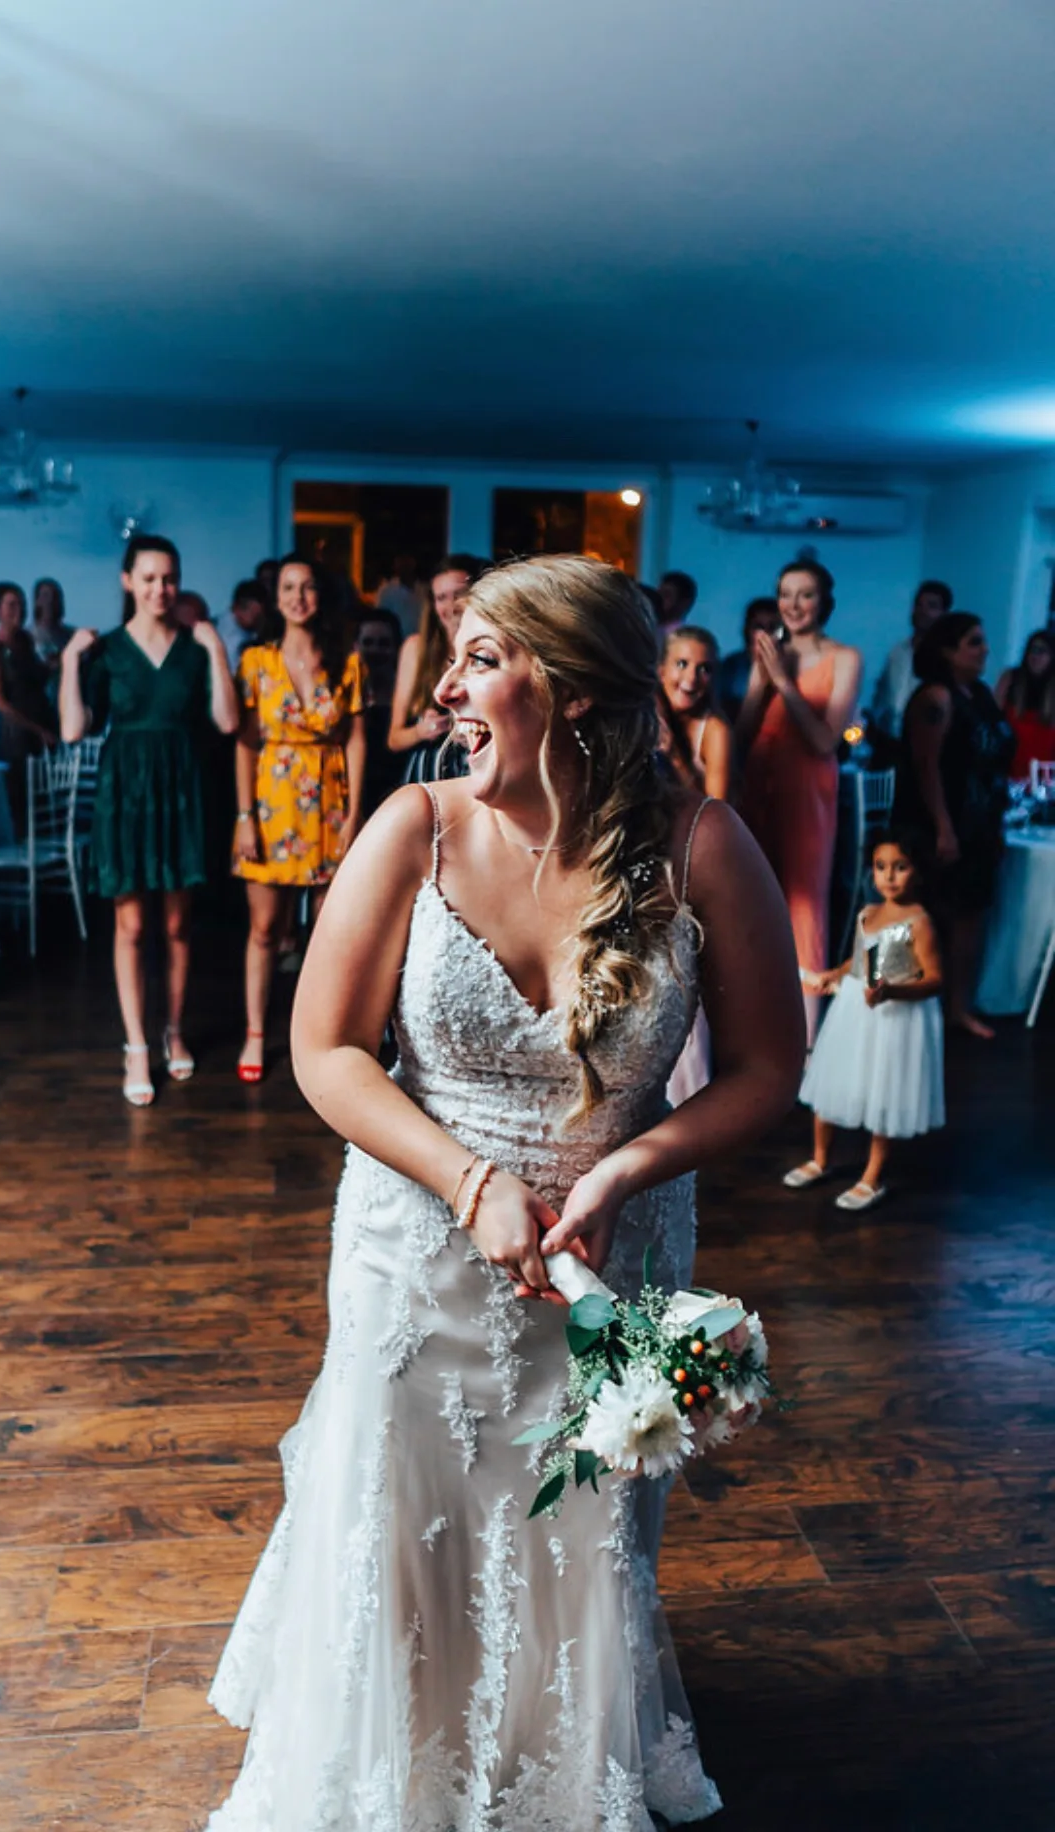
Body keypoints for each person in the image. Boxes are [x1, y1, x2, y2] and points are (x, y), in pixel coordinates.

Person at [201, 555, 804, 1829]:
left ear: (575, 689)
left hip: (610, 1255)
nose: (446, 692)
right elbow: (325, 1050)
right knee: (403, 1508)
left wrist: (631, 1161)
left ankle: (549, 1761)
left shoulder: (705, 844)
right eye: (454, 658)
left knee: (577, 1521)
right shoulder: (414, 828)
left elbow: (766, 1071)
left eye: (481, 660)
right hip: (414, 1246)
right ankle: (394, 1760)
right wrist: (470, 1179)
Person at [60, 534, 238, 1105]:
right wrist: (68, 661)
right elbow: (72, 728)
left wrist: (215, 650)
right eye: (149, 578)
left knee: (178, 926)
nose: (160, 589)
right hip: (124, 794)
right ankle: (137, 1044)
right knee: (132, 926)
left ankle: (174, 1031)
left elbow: (228, 723)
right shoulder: (106, 649)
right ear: (127, 582)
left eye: (169, 578)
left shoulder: (193, 647)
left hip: (181, 792)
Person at [233, 557, 366, 1083]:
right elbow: (244, 743)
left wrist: (354, 814)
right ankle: (255, 1033)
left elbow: (355, 739)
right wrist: (244, 816)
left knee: (330, 932)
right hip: (272, 803)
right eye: (288, 587)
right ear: (276, 598)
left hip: (330, 803)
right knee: (265, 929)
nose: (298, 596)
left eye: (308, 587)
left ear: (319, 596)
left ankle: (321, 1039)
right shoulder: (255, 662)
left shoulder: (347, 661)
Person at [784, 831, 944, 1211]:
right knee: (831, 1082)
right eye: (881, 867)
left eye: (900, 868)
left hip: (895, 1016)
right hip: (854, 1010)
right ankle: (821, 1158)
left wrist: (892, 992)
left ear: (918, 872)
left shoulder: (920, 922)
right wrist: (833, 975)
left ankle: (872, 1176)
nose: (889, 876)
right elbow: (860, 960)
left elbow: (935, 980)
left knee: (884, 1092)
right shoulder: (867, 914)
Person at [738, 560, 863, 1043]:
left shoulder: (845, 657)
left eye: (805, 594)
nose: (793, 605)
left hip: (807, 788)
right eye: (786, 594)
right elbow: (744, 735)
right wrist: (758, 680)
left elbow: (826, 741)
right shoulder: (768, 653)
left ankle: (807, 1041)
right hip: (758, 782)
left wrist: (784, 682)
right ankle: (754, 1028)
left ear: (824, 602)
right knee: (754, 897)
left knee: (804, 902)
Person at [895, 611, 1015, 1038]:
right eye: (974, 642)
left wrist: (995, 825)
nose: (984, 650)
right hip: (937, 824)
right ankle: (898, 1011)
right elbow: (926, 767)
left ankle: (956, 1009)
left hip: (979, 821)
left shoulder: (979, 693)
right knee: (917, 916)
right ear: (948, 650)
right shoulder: (935, 698)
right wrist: (944, 827)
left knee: (971, 917)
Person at [388, 553, 485, 784]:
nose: (451, 606)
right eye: (441, 598)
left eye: (460, 595)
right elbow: (394, 738)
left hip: (477, 771)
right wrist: (422, 731)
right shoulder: (416, 649)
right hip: (428, 773)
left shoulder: (491, 649)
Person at [0, 582, 57, 833]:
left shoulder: (25, 641)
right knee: (19, 801)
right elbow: (0, 702)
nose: (18, 610)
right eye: (11, 605)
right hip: (13, 734)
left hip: (37, 727)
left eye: (21, 604)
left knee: (41, 799)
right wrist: (36, 730)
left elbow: (36, 678)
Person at [870, 579, 953, 744]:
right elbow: (883, 698)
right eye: (918, 605)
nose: (922, 611)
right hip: (888, 740)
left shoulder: (948, 658)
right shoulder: (897, 652)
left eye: (931, 606)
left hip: (924, 743)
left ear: (944, 614)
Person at [657, 625, 733, 801]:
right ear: (661, 671)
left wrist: (674, 757)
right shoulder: (647, 708)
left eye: (704, 669)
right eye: (682, 664)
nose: (691, 678)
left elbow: (717, 813)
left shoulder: (716, 730)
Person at [356, 605, 405, 815]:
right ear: (355, 646)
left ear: (397, 649)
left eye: (384, 644)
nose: (375, 650)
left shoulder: (406, 698)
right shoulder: (345, 697)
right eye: (368, 643)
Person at [995, 628, 1055, 781]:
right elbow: (992, 718)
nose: (1035, 656)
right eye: (1032, 650)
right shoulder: (1011, 679)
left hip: (1043, 776)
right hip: (1007, 769)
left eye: (1043, 651)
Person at [718, 595, 781, 729]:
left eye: (773, 627)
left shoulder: (795, 666)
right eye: (759, 627)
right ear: (747, 630)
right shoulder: (730, 668)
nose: (765, 634)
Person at [217, 578, 268, 671]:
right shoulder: (229, 639)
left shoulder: (244, 629)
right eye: (256, 615)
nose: (261, 619)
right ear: (237, 608)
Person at [375, 550, 423, 636]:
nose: (404, 565)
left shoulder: (423, 590)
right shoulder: (387, 591)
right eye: (401, 561)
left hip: (419, 642)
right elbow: (380, 619)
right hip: (395, 642)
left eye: (407, 560)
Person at [32, 577, 74, 672]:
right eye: (45, 596)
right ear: (37, 601)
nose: (50, 601)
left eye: (54, 596)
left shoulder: (71, 636)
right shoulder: (27, 637)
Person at [656, 567, 698, 631]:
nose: (659, 600)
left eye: (666, 596)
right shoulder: (646, 629)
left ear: (684, 603)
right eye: (658, 594)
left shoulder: (685, 638)